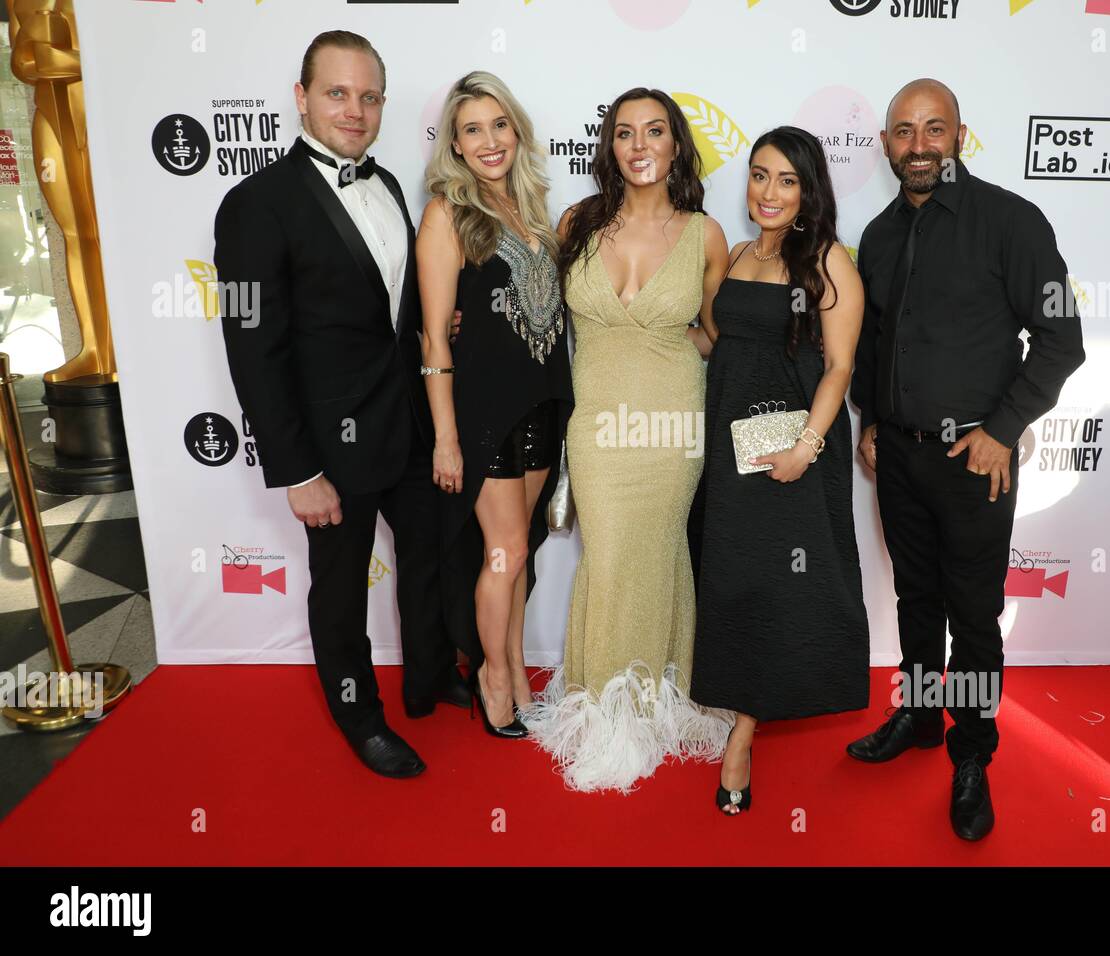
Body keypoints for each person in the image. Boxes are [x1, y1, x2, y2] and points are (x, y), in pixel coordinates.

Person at [214, 31, 470, 779]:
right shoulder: (254, 205)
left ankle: (427, 679)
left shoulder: (389, 185)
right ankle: (360, 716)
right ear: (301, 97)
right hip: (329, 446)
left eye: (368, 96)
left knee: (427, 560)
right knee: (340, 589)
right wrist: (296, 470)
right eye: (337, 93)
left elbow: (390, 306)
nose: (354, 110)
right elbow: (252, 351)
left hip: (408, 426)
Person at [846, 78, 1085, 840]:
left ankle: (972, 752)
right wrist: (872, 420)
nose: (919, 146)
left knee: (973, 618)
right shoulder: (878, 237)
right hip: (901, 458)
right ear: (887, 145)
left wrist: (1003, 430)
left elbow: (1061, 341)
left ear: (960, 135)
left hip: (974, 461)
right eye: (904, 132)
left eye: (934, 129)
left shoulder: (1011, 223)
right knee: (915, 599)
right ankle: (918, 713)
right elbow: (874, 342)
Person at [521, 88, 732, 793]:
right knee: (609, 555)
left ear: (676, 145)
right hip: (599, 423)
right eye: (624, 133)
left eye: (655, 131)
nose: (640, 145)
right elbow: (544, 319)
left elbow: (716, 337)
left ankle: (648, 702)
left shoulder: (704, 234)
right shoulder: (578, 222)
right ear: (609, 146)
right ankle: (605, 703)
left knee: (658, 548)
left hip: (673, 421)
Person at [690, 127, 869, 815]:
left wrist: (807, 446)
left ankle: (743, 733)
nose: (768, 192)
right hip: (731, 446)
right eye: (759, 176)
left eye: (786, 180)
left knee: (780, 587)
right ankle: (740, 705)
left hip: (792, 447)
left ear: (809, 190)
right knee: (735, 580)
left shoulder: (826, 261)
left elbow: (841, 366)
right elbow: (720, 343)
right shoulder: (737, 253)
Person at [416, 71, 573, 739]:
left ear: (517, 130)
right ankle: (495, 678)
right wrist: (445, 437)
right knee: (503, 553)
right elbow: (432, 336)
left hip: (541, 403)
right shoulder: (447, 214)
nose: (489, 140)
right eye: (473, 129)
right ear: (454, 142)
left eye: (498, 125)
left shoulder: (534, 209)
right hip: (484, 414)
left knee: (520, 552)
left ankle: (508, 667)